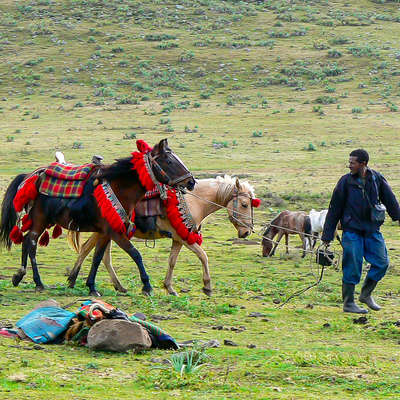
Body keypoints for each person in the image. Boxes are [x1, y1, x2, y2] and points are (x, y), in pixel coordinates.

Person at [321, 149, 400, 313]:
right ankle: (348, 303)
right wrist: (327, 236)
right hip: (352, 231)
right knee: (352, 265)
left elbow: (390, 200)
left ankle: (366, 294)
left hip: (372, 230)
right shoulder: (344, 182)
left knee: (382, 263)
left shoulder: (377, 179)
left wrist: (398, 217)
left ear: (363, 164)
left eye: (352, 162)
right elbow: (334, 209)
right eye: (349, 162)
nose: (349, 165)